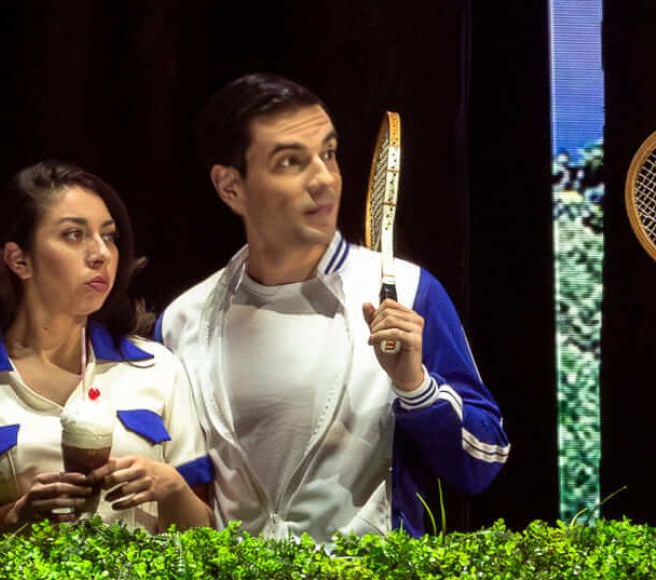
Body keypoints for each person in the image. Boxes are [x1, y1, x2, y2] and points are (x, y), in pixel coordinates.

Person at [155, 73, 509, 543]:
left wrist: (416, 386)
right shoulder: (182, 320)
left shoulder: (409, 292)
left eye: (329, 154)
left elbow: (483, 460)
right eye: (290, 162)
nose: (323, 179)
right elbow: (177, 491)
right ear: (230, 186)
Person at [0, 161, 213, 537]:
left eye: (109, 236)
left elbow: (207, 532)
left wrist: (172, 488)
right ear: (19, 260)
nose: (101, 253)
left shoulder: (158, 369)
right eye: (74, 235)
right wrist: (10, 519)